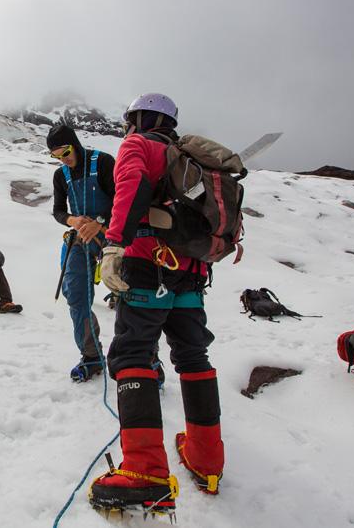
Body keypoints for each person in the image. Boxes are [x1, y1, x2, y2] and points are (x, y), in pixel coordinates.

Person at [90, 93, 223, 512]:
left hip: (149, 266)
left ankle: (145, 470)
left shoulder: (139, 146)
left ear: (140, 118)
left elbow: (128, 191)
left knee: (132, 352)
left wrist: (113, 245)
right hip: (191, 273)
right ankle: (207, 460)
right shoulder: (191, 161)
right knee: (192, 355)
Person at [47, 124, 117, 382]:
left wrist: (99, 221)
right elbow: (57, 210)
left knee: (131, 296)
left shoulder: (103, 162)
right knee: (76, 294)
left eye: (65, 152)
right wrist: (71, 221)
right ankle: (92, 356)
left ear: (74, 144)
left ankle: (144, 360)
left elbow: (123, 199)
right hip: (79, 238)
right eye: (55, 155)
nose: (63, 159)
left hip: (112, 234)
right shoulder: (60, 176)